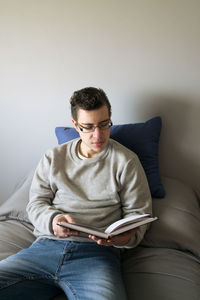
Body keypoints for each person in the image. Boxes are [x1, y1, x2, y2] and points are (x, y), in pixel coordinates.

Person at [0, 87, 152, 300]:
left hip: (97, 254)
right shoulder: (53, 157)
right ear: (75, 126)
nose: (97, 135)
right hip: (46, 247)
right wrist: (54, 221)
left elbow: (139, 214)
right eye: (88, 127)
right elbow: (36, 204)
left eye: (103, 125)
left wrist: (126, 237)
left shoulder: (126, 161)